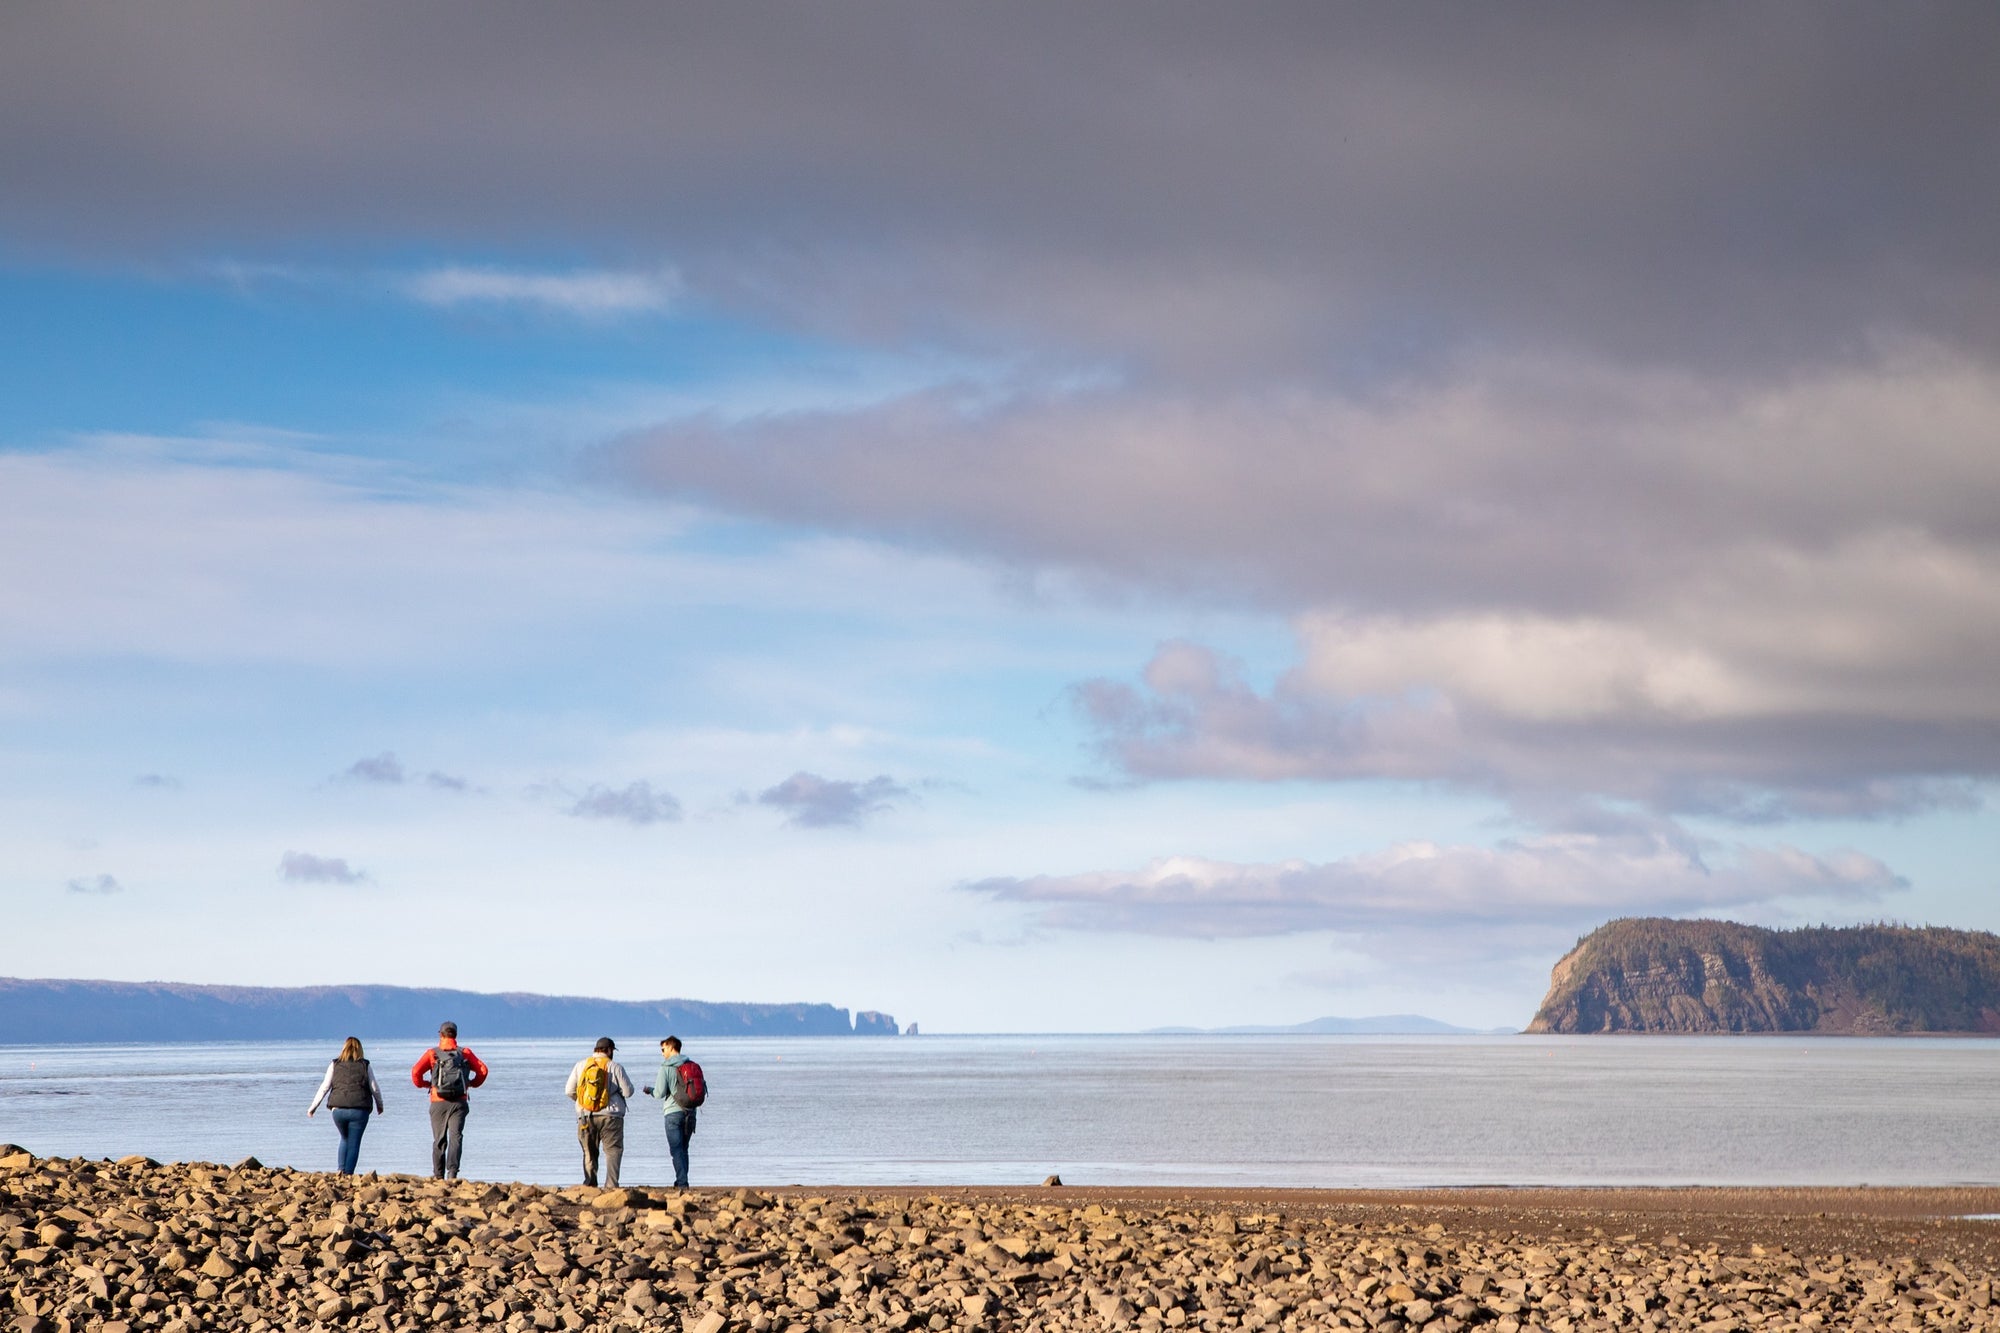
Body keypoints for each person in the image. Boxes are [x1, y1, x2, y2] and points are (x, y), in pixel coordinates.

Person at [410, 1021, 488, 1179]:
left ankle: (438, 1175)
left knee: (439, 1138)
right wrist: (471, 1083)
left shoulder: (432, 1054)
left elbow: (415, 1072)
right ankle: (452, 1173)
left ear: (441, 1034)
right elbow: (483, 1070)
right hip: (459, 1101)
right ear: (456, 1035)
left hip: (438, 1100)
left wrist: (426, 1085)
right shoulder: (465, 1053)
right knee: (456, 1137)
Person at [306, 1036, 385, 1175]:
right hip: (359, 1110)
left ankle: (340, 1170)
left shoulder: (334, 1064)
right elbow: (374, 1088)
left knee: (344, 1138)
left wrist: (313, 1107)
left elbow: (325, 1087)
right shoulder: (365, 1065)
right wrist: (380, 1105)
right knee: (354, 1142)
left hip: (338, 1110)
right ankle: (348, 1174)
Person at [563, 1037, 636, 1188]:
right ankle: (611, 1185)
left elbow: (569, 1091)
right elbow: (628, 1092)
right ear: (609, 1050)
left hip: (585, 1116)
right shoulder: (615, 1067)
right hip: (611, 1116)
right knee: (613, 1151)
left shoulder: (580, 1065)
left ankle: (590, 1184)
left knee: (589, 1151)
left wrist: (583, 1102)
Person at [642, 1035, 699, 1188]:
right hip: (691, 1111)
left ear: (671, 1047)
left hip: (673, 1113)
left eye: (663, 1049)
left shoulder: (666, 1067)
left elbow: (659, 1093)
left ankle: (682, 1182)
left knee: (676, 1149)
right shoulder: (690, 1064)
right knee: (684, 1148)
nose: (662, 1053)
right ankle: (682, 1180)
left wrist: (649, 1090)